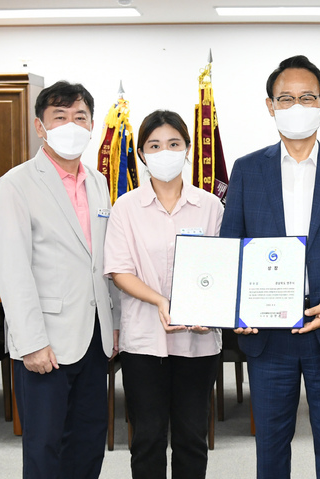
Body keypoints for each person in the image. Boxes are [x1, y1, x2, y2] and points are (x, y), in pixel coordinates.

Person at [220, 55, 320, 479]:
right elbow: (230, 245)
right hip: (268, 332)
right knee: (270, 445)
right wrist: (236, 307)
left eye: (306, 97)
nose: (296, 107)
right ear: (269, 105)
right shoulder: (247, 170)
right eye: (285, 98)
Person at [0, 81, 114, 478]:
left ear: (92, 124)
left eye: (80, 117)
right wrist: (31, 343)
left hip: (94, 339)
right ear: (40, 127)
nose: (71, 125)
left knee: (89, 439)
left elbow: (100, 261)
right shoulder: (15, 184)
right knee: (45, 447)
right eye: (59, 117)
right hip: (45, 344)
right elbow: (13, 270)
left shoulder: (98, 182)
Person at [103, 110, 223, 479]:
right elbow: (120, 269)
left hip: (198, 342)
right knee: (148, 439)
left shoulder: (210, 206)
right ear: (141, 153)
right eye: (154, 145)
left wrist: (210, 310)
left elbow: (222, 267)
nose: (164, 152)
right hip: (144, 342)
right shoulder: (125, 208)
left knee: (191, 438)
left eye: (173, 143)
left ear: (188, 149)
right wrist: (160, 301)